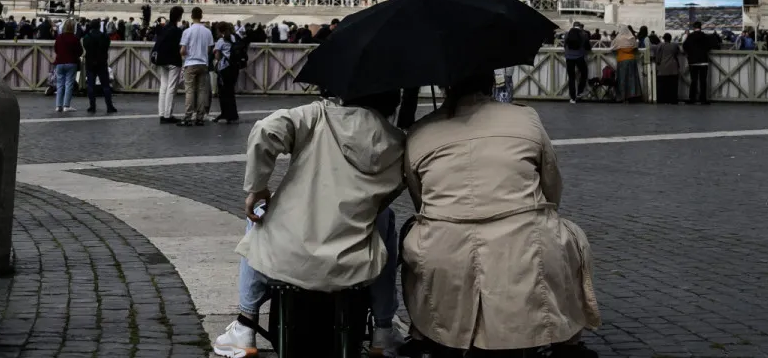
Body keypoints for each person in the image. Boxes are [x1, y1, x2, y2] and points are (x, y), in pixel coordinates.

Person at [399, 69, 599, 356]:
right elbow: (552, 187)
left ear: (444, 88)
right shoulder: (525, 118)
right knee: (570, 236)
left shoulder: (419, 131)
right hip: (525, 242)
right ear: (492, 83)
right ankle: (568, 344)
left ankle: (424, 334)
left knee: (415, 236)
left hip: (444, 246)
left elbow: (420, 201)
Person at [212, 88, 405, 358]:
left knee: (259, 215)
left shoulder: (316, 115)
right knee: (384, 219)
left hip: (289, 256)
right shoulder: (396, 141)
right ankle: (383, 330)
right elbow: (390, 194)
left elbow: (266, 130)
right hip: (353, 262)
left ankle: (245, 324)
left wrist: (258, 187)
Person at [152, 6, 185, 124]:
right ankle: (168, 114)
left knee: (163, 87)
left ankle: (162, 113)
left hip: (162, 60)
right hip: (173, 61)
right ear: (179, 17)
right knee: (171, 88)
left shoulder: (164, 28)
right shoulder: (177, 31)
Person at [182, 6, 214, 126]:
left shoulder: (187, 31)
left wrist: (186, 55)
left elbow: (183, 50)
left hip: (190, 63)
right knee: (202, 91)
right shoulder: (207, 31)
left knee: (190, 91)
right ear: (201, 16)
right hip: (203, 63)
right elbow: (209, 49)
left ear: (191, 16)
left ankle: (188, 116)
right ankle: (200, 117)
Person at [82, 19, 118, 113]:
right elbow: (107, 47)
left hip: (90, 63)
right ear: (99, 26)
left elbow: (85, 47)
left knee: (91, 86)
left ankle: (92, 106)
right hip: (102, 63)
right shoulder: (105, 36)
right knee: (105, 86)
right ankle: (109, 106)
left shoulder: (87, 37)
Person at [213, 22, 244, 124]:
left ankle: (226, 113)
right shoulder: (235, 37)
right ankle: (233, 114)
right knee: (230, 91)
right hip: (234, 67)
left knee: (223, 92)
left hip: (224, 68)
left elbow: (217, 57)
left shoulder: (221, 41)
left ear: (220, 31)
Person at [682, 20, 716, 104]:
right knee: (703, 81)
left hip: (693, 61)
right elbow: (710, 46)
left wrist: (690, 53)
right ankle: (703, 99)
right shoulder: (705, 36)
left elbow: (684, 46)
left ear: (694, 28)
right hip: (704, 61)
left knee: (694, 80)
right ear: (700, 27)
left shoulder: (690, 36)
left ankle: (692, 99)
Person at [52, 21, 82, 114]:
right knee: (69, 84)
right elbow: (80, 51)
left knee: (60, 84)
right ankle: (66, 105)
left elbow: (56, 49)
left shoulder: (59, 37)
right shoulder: (75, 38)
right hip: (71, 63)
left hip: (59, 62)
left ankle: (58, 106)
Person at [562, 22, 591, 102]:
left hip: (569, 57)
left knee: (571, 77)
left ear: (573, 26)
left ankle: (572, 98)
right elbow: (588, 47)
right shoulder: (584, 34)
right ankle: (580, 92)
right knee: (584, 73)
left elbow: (564, 45)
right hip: (579, 57)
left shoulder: (567, 34)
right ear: (580, 27)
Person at [611, 28, 642, 102]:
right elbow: (636, 48)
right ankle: (632, 96)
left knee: (622, 79)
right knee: (632, 79)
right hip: (632, 60)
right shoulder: (632, 38)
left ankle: (622, 96)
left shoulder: (618, 39)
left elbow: (613, 48)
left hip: (622, 60)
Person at [652, 32, 684, 104]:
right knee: (673, 86)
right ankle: (673, 100)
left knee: (663, 86)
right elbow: (679, 53)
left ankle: (663, 100)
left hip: (663, 69)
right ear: (670, 38)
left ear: (663, 39)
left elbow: (658, 58)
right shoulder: (675, 45)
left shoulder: (660, 45)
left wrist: (658, 64)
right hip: (673, 68)